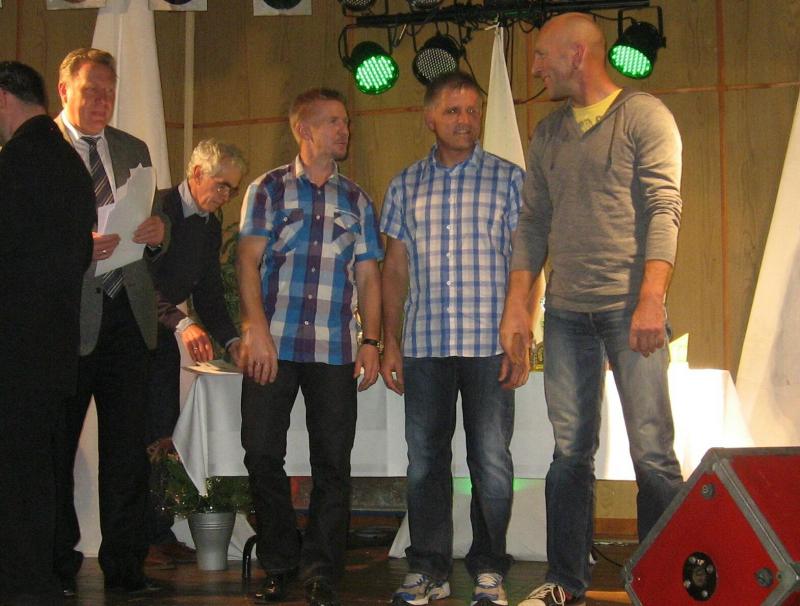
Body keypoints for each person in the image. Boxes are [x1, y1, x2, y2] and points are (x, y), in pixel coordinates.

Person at [499, 13, 685, 606]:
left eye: (542, 55)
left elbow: (664, 208)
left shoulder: (643, 116)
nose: (535, 67)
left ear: (577, 54)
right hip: (567, 314)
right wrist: (518, 308)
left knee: (652, 453)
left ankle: (661, 585)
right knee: (569, 453)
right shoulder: (549, 133)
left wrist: (651, 299)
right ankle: (564, 582)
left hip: (631, 309)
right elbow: (532, 224)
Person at [380, 71, 543, 606]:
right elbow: (394, 271)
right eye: (453, 111)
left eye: (473, 111)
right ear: (430, 117)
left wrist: (523, 333)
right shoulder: (405, 184)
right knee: (425, 462)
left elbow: (529, 263)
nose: (466, 121)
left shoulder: (510, 179)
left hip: (490, 345)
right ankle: (428, 569)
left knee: (491, 462)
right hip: (425, 345)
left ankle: (489, 569)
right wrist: (389, 341)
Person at [237, 88, 383, 606]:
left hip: (334, 347)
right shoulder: (268, 189)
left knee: (333, 464)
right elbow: (246, 261)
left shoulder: (357, 200)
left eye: (346, 122)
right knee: (261, 453)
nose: (345, 130)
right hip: (273, 344)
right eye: (334, 122)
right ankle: (280, 562)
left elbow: (369, 277)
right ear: (304, 129)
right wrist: (255, 329)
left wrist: (372, 339)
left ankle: (322, 570)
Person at [52, 47, 169, 597]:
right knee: (56, 450)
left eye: (109, 91)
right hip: (67, 320)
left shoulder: (132, 148)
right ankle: (58, 562)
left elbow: (153, 216)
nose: (102, 100)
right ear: (64, 91)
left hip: (129, 314)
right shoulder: (40, 149)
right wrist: (78, 246)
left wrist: (159, 232)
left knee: (126, 453)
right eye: (91, 90)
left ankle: (125, 567)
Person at [0, 60, 95, 606]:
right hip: (55, 345)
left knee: (14, 476)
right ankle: (35, 580)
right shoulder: (70, 164)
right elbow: (80, 256)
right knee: (39, 471)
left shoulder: (14, 163)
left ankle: (20, 583)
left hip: (12, 345)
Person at [145, 138, 247, 568]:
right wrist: (181, 323)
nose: (226, 196)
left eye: (233, 189)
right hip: (129, 336)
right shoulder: (157, 208)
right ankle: (139, 538)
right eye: (222, 185)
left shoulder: (208, 221)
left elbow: (208, 293)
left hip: (162, 336)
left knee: (161, 433)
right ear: (197, 173)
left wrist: (233, 341)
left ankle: (156, 532)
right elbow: (137, 281)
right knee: (136, 440)